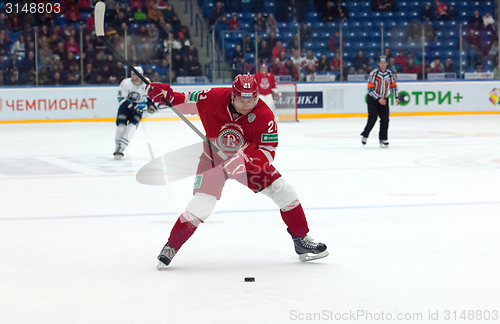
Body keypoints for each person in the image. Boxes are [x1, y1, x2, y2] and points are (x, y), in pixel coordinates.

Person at [145, 74, 329, 268]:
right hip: (213, 160)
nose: (247, 104)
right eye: (242, 99)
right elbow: (187, 101)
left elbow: (268, 151)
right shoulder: (213, 97)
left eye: (252, 99)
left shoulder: (265, 115)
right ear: (233, 96)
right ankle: (171, 246)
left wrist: (247, 162)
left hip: (248, 164)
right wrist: (168, 95)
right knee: (202, 205)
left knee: (285, 190)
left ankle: (301, 240)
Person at [113, 67, 157, 159]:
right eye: (135, 75)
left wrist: (151, 105)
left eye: (139, 75)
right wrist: (133, 107)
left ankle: (121, 150)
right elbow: (121, 98)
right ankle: (117, 147)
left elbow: (150, 96)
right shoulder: (125, 83)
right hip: (125, 108)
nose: (137, 77)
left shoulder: (147, 83)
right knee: (121, 128)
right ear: (132, 75)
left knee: (131, 129)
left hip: (138, 110)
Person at [360, 56, 399, 148]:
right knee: (372, 118)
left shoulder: (389, 74)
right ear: (378, 64)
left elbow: (393, 86)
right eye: (381, 63)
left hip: (384, 99)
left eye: (384, 63)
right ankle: (365, 134)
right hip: (373, 99)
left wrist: (396, 96)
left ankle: (383, 138)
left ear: (387, 64)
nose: (383, 64)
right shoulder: (373, 73)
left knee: (385, 119)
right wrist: (378, 99)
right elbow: (370, 89)